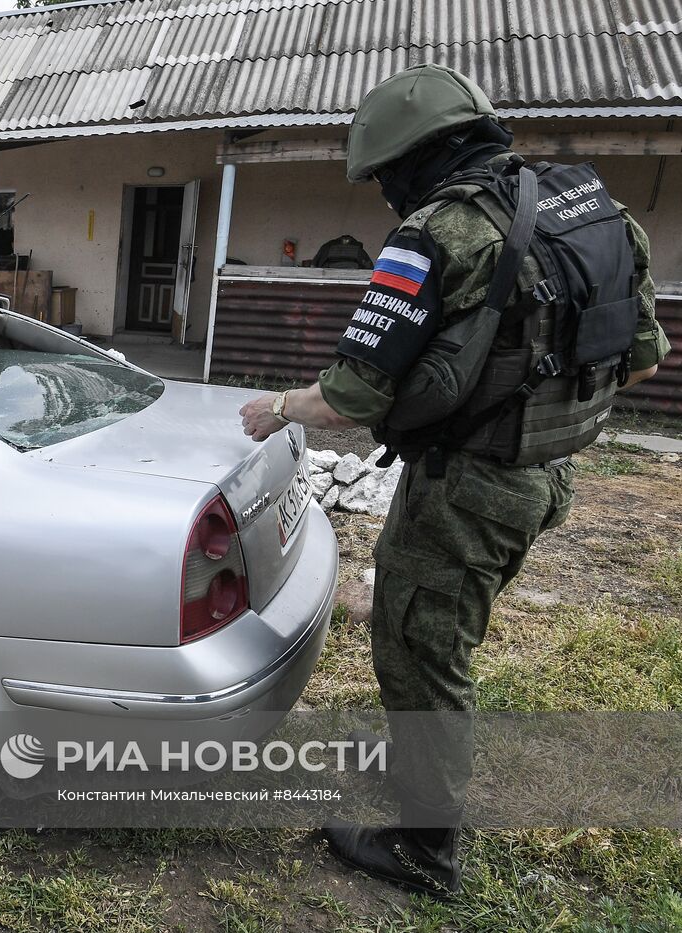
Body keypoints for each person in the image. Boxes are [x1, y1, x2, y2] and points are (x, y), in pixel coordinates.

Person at [239, 63, 670, 897]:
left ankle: (424, 851)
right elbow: (645, 360)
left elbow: (354, 392)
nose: (387, 197)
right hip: (543, 477)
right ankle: (423, 783)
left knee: (421, 653)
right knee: (448, 640)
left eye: (385, 179)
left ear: (411, 161)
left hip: (466, 488)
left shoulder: (439, 233)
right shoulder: (595, 211)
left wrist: (279, 407)